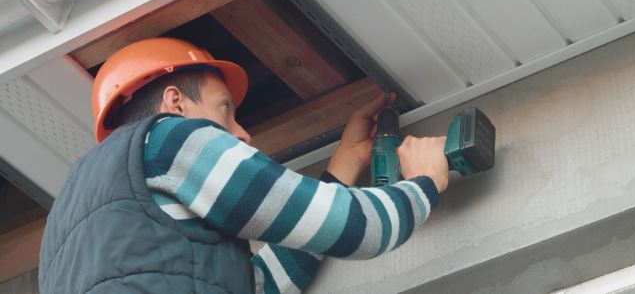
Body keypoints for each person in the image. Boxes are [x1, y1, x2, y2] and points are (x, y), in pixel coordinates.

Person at [39, 37, 449, 293]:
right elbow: (358, 232)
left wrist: (345, 162)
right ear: (174, 102)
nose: (242, 133)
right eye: (225, 110)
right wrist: (424, 182)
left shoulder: (63, 232)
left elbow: (258, 286)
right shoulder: (168, 139)